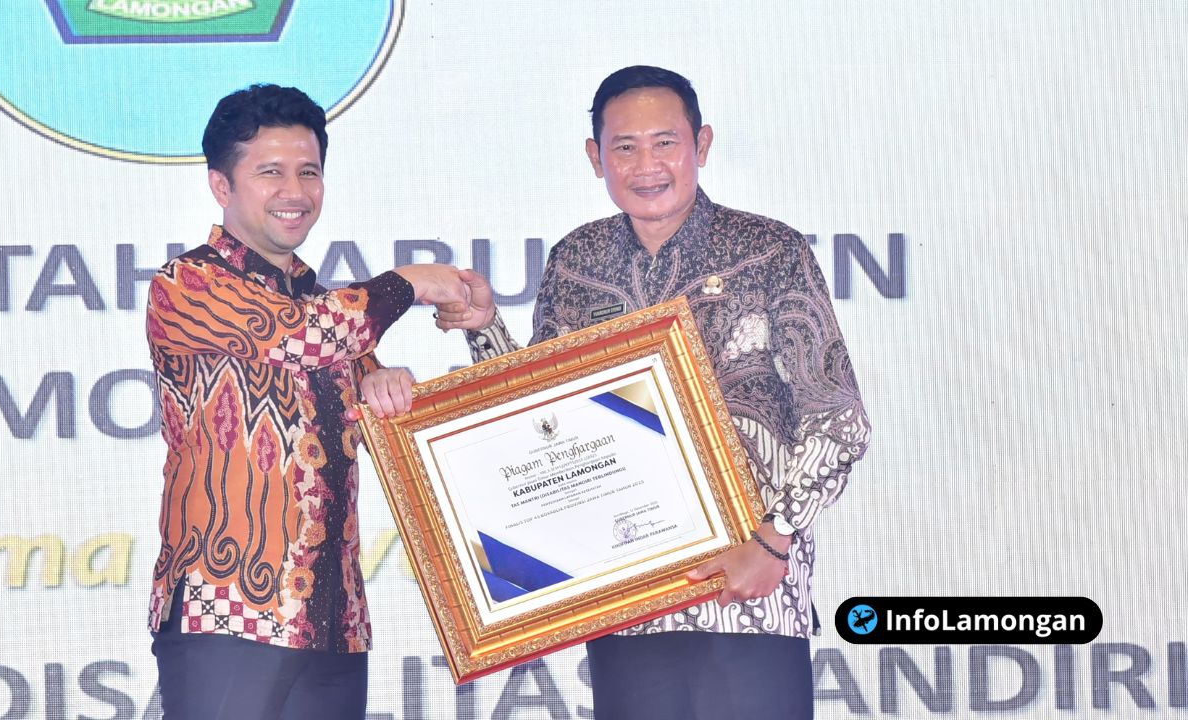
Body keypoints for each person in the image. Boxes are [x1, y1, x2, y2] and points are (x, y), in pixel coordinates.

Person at [364, 66, 871, 718]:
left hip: (747, 595)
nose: (647, 165)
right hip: (625, 602)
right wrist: (485, 327)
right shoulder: (576, 261)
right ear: (595, 156)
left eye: (666, 143)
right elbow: (537, 416)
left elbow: (839, 419)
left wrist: (774, 541)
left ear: (702, 145)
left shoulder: (769, 250)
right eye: (625, 147)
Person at [145, 83, 478, 719]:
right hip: (228, 612)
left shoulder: (330, 308)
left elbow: (386, 413)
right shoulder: (188, 283)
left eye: (309, 171)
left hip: (334, 621)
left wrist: (388, 384)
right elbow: (303, 335)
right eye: (270, 172)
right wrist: (411, 280)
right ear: (221, 184)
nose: (295, 191)